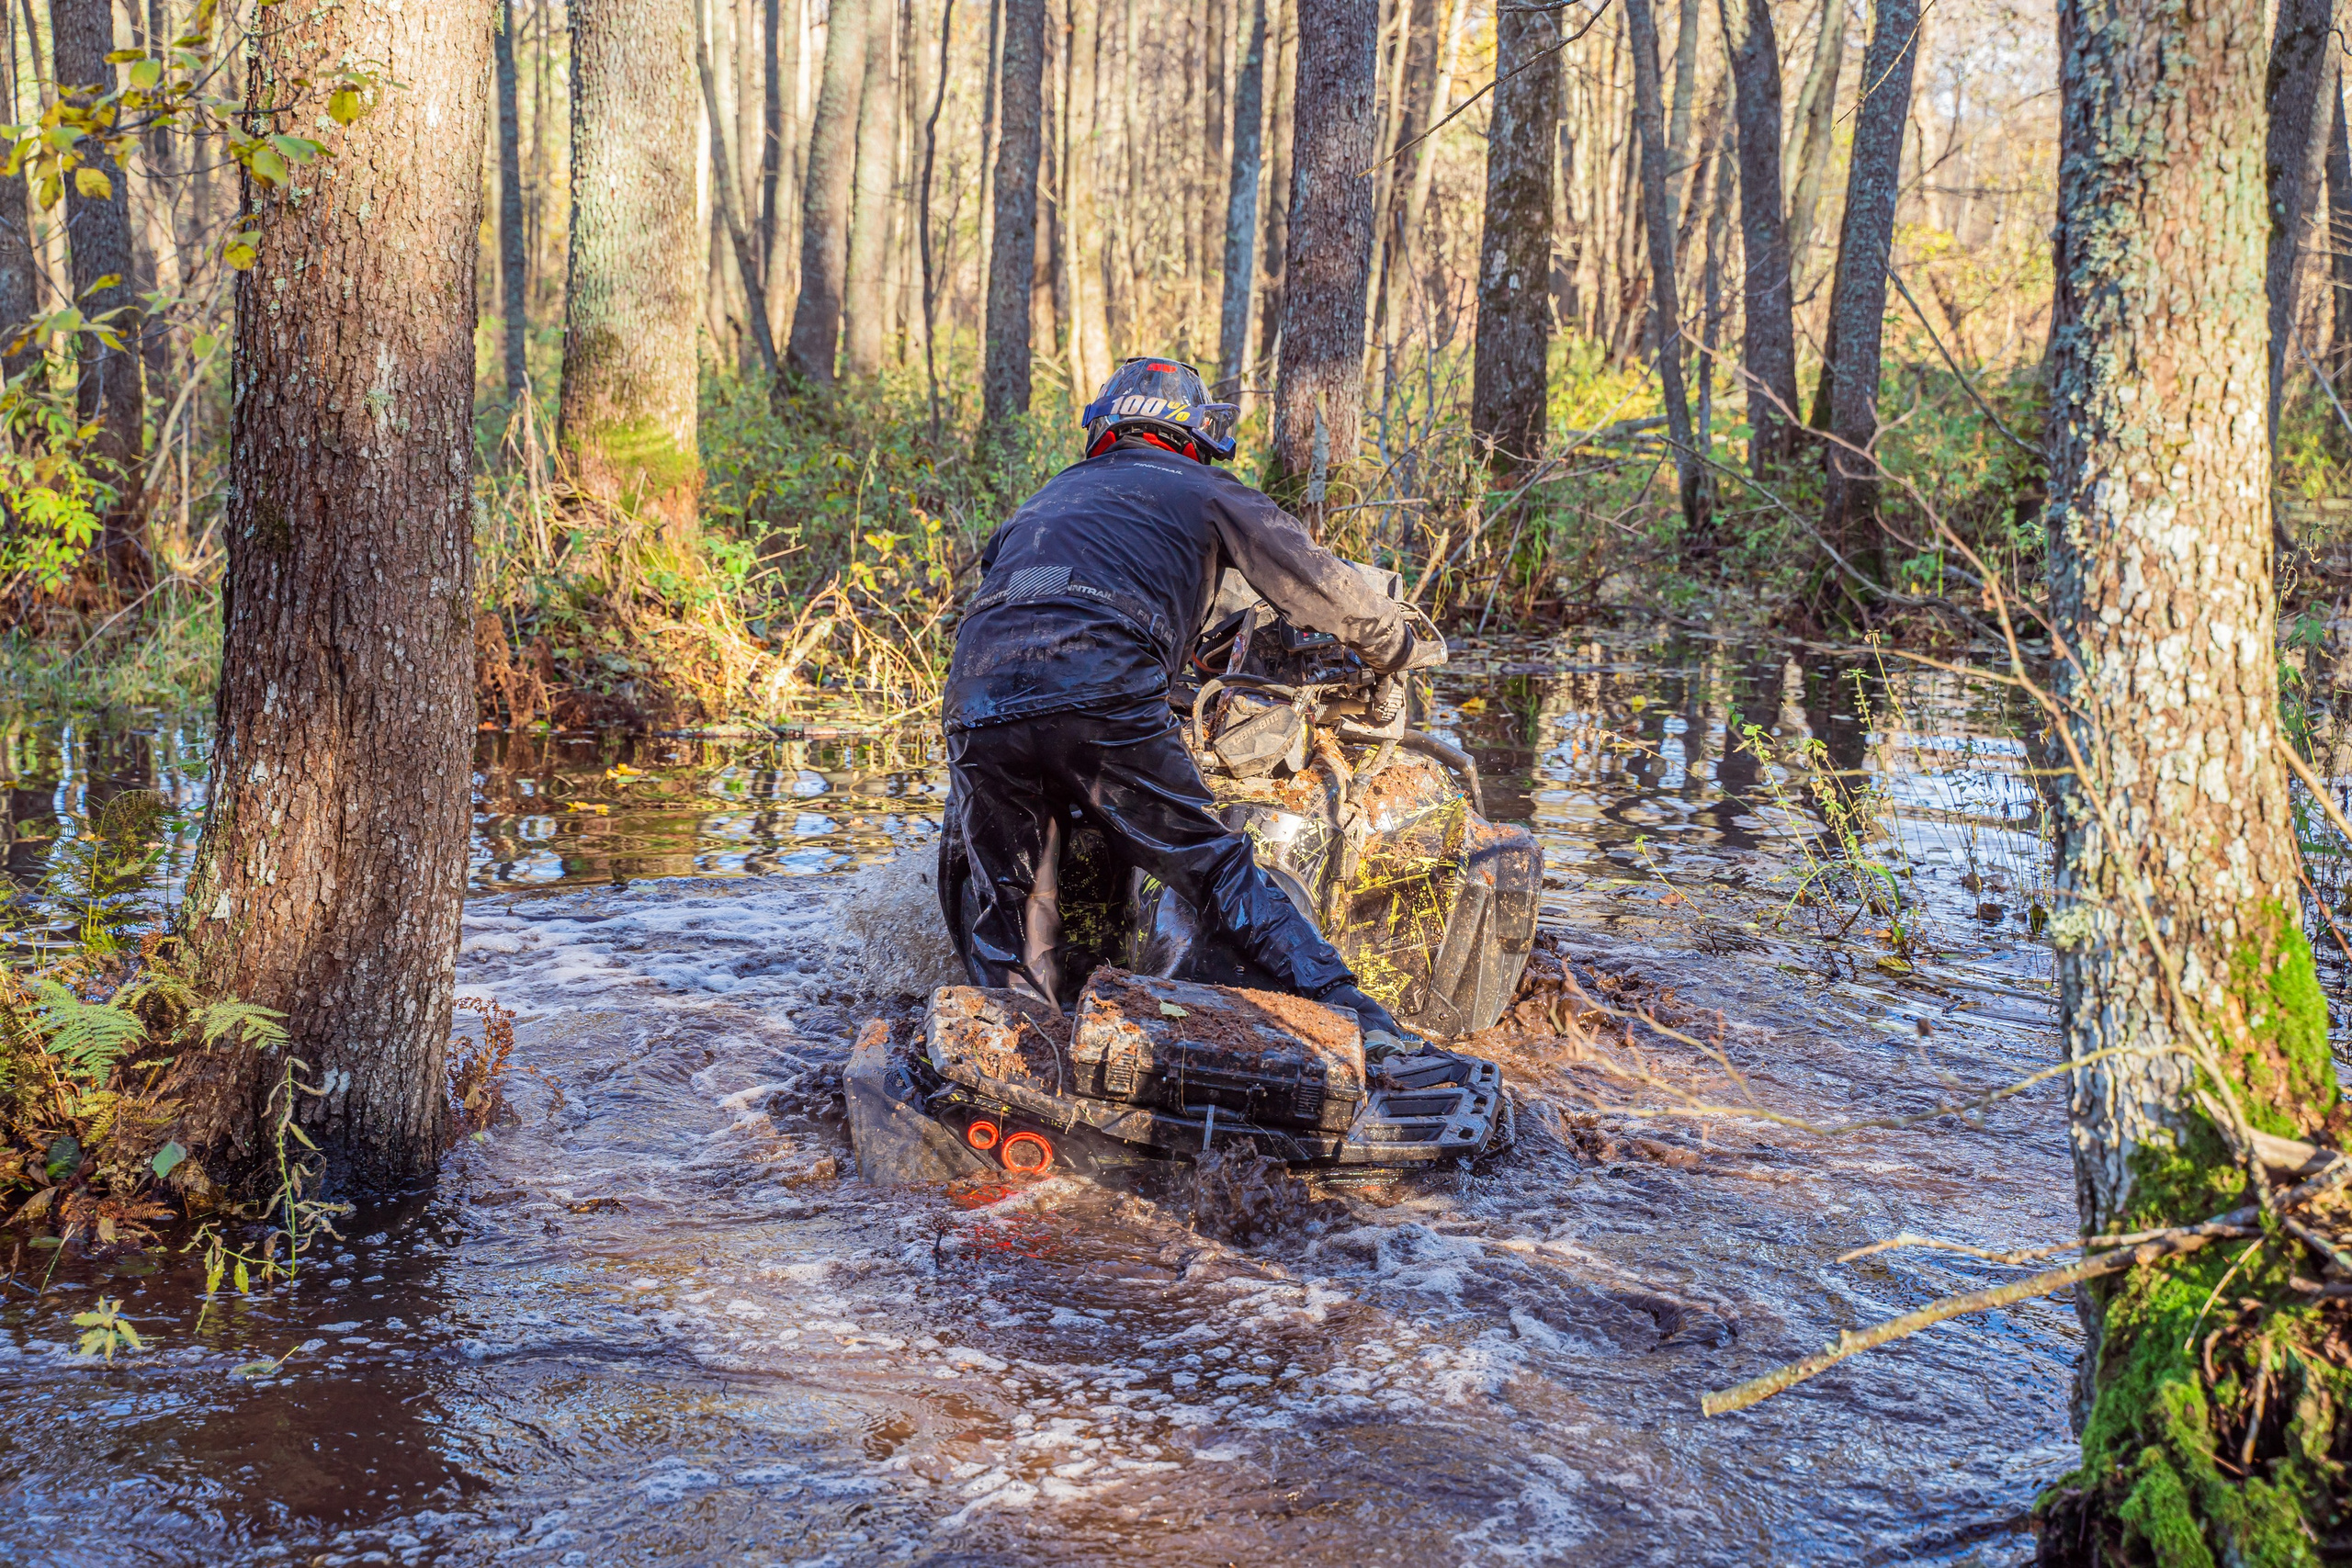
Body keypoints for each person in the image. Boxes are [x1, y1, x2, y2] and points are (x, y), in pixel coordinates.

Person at [939, 356, 1431, 1041]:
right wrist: (1397, 645)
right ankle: (1365, 1023)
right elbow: (1318, 584)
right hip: (1102, 686)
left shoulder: (1046, 499)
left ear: (1107, 427)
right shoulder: (1207, 490)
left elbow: (1018, 589)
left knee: (1014, 904)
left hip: (976, 697)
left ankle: (1013, 1057)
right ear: (1196, 436)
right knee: (1213, 865)